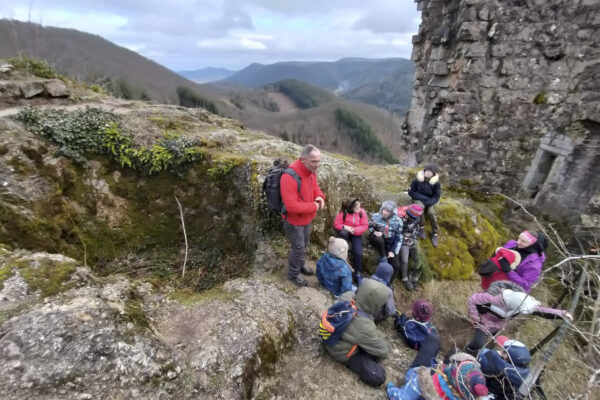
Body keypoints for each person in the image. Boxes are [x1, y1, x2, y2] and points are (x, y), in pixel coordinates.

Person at [465, 280, 572, 355]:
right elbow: (472, 300)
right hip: (484, 321)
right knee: (479, 342)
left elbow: (541, 310)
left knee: (488, 337)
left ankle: (480, 345)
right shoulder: (492, 297)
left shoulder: (521, 304)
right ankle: (469, 349)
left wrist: (562, 314)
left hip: (498, 325)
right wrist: (476, 319)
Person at [324, 277, 391, 387]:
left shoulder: (348, 296)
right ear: (375, 303)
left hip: (331, 336)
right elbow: (383, 351)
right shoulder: (364, 325)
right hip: (341, 352)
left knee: (367, 345)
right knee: (379, 376)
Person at [386, 333, 489, 400]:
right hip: (447, 390)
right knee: (455, 351)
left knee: (433, 339)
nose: (451, 365)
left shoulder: (421, 381)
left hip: (425, 384)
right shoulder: (466, 393)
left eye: (453, 366)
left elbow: (398, 397)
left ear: (451, 375)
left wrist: (390, 386)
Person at [281, 144, 326, 287]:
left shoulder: (310, 170)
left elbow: (315, 186)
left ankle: (300, 265)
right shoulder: (289, 177)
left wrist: (319, 196)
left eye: (318, 161)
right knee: (298, 247)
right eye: (314, 161)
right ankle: (293, 274)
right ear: (303, 159)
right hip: (294, 221)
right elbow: (291, 206)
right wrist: (313, 206)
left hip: (306, 217)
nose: (317, 165)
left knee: (304, 244)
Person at [478, 336, 531, 400]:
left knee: (484, 351)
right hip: (503, 394)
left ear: (506, 356)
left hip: (488, 392)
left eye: (502, 351)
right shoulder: (525, 374)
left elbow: (488, 357)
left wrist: (495, 355)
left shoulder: (491, 360)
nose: (500, 351)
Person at [334, 198, 369, 281]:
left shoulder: (362, 212)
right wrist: (345, 227)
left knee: (358, 253)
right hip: (346, 232)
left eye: (359, 207)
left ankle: (358, 273)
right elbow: (336, 224)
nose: (359, 210)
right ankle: (341, 256)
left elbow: (365, 225)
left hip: (356, 234)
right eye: (357, 208)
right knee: (342, 233)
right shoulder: (343, 213)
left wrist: (355, 230)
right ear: (350, 209)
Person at [369, 201, 403, 283]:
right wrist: (374, 232)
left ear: (392, 212)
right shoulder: (376, 216)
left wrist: (393, 251)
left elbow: (399, 237)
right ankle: (383, 257)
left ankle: (388, 283)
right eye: (384, 210)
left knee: (396, 266)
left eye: (387, 211)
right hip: (378, 239)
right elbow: (369, 226)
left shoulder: (398, 221)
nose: (384, 212)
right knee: (379, 239)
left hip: (390, 243)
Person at [408, 164, 441, 247]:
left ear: (433, 174)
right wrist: (424, 198)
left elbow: (436, 196)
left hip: (429, 201)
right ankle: (421, 227)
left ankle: (435, 233)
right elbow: (411, 192)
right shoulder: (417, 180)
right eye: (427, 171)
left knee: (431, 212)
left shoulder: (436, 183)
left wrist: (429, 202)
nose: (428, 173)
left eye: (430, 172)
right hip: (418, 198)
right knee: (420, 208)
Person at [399, 204, 424, 291]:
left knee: (418, 260)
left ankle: (413, 278)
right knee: (404, 260)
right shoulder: (400, 218)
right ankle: (405, 279)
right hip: (403, 242)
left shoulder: (417, 217)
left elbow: (416, 228)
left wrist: (414, 239)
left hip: (413, 241)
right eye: (409, 216)